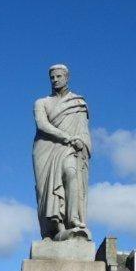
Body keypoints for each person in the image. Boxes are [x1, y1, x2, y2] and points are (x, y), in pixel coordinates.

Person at [32, 64, 92, 241]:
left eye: (59, 76)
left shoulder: (77, 103)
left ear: (67, 77)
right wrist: (66, 137)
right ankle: (54, 229)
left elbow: (83, 130)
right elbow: (42, 125)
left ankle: (73, 219)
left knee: (71, 173)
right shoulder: (41, 102)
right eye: (52, 77)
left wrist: (82, 141)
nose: (55, 80)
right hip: (46, 149)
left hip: (69, 149)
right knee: (46, 193)